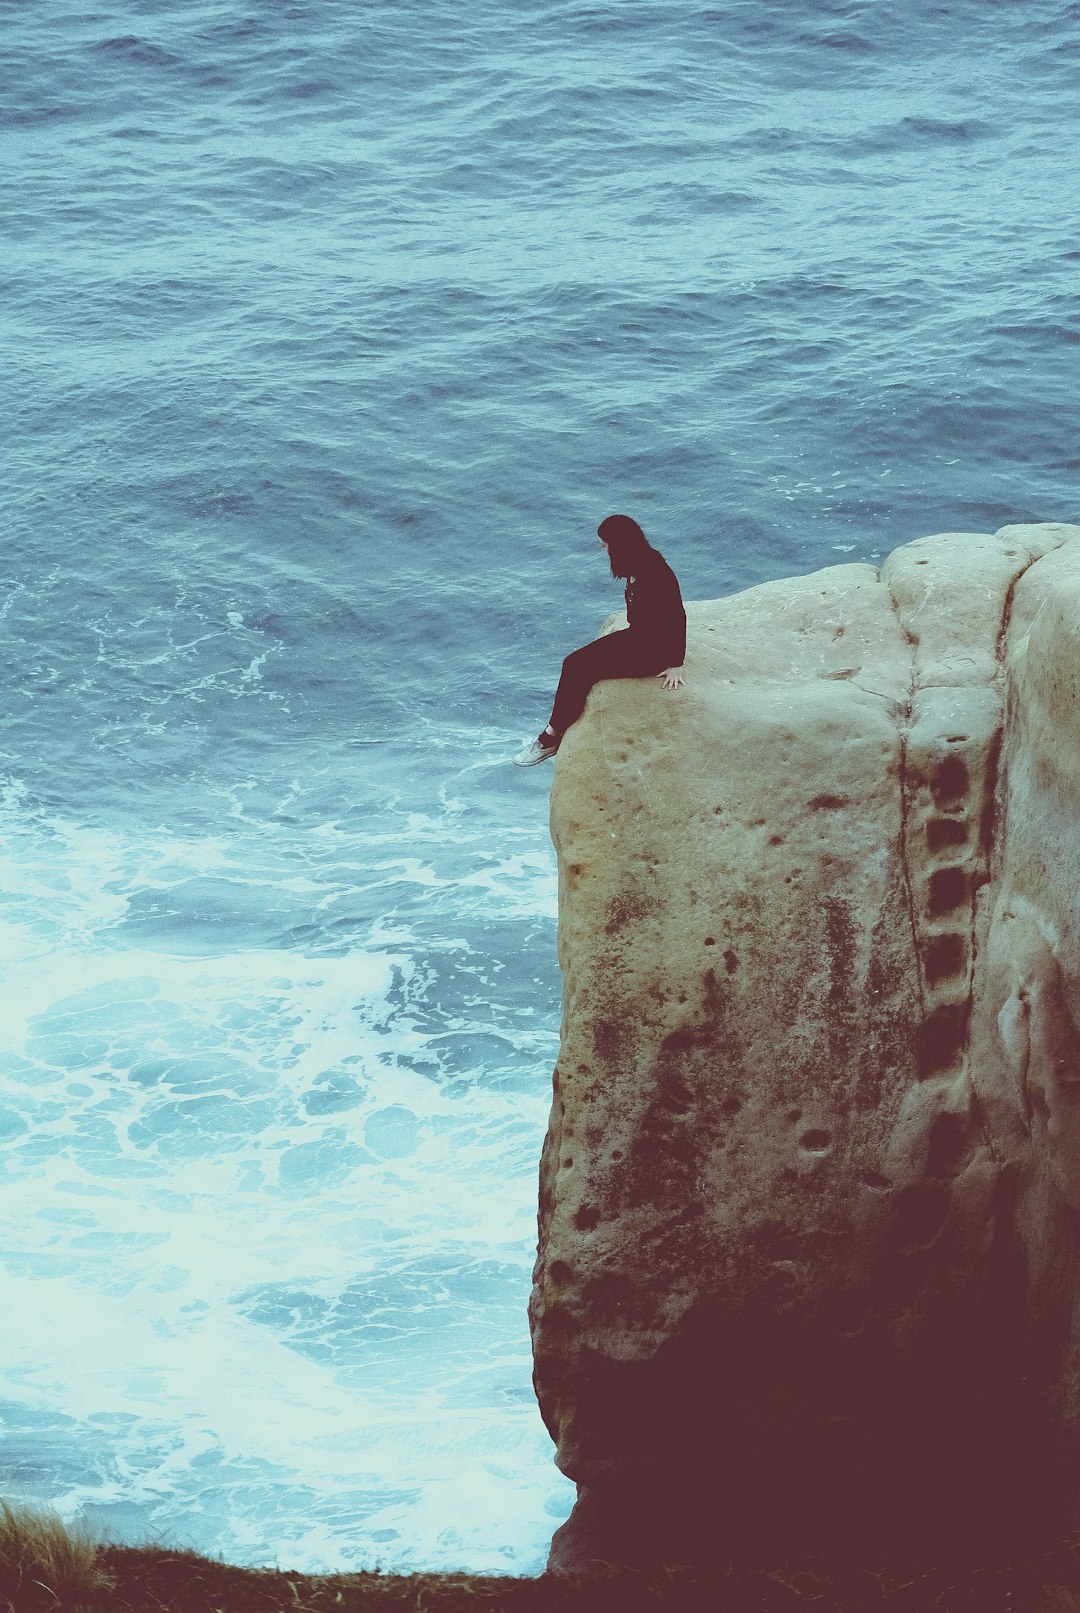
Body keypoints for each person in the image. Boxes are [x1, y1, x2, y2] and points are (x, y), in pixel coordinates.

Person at [514, 514, 686, 766]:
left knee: (577, 667)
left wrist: (676, 662)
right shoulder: (639, 564)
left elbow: (677, 616)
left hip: (652, 652)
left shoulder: (654, 571)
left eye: (605, 544)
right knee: (576, 664)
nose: (603, 548)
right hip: (640, 638)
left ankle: (550, 738)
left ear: (620, 544)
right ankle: (553, 734)